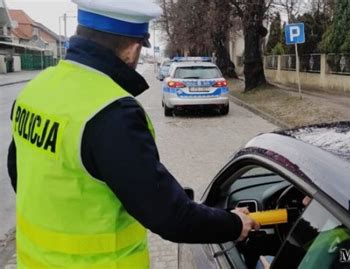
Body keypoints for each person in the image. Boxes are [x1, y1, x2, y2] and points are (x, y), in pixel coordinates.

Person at [7, 0, 259, 268]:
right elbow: (169, 216)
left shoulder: (36, 90)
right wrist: (234, 224)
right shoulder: (111, 111)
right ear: (132, 48)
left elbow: (19, 173)